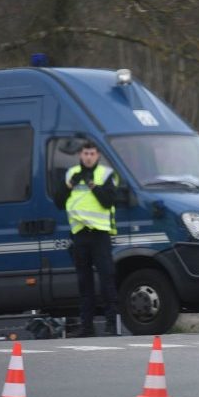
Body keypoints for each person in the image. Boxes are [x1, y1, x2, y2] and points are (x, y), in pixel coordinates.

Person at [59, 142, 121, 337]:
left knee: (107, 280)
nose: (88, 157)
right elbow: (58, 201)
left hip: (100, 235)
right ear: (79, 154)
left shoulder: (106, 174)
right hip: (80, 234)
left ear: (98, 155)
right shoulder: (72, 174)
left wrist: (92, 185)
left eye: (92, 154)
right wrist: (70, 184)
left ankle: (111, 325)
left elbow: (108, 201)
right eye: (85, 153)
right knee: (84, 283)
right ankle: (87, 326)